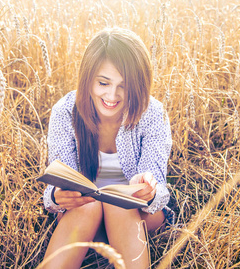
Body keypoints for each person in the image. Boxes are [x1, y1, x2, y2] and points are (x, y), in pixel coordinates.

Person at [42, 27, 173, 269]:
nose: (112, 95)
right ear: (88, 78)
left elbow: (159, 189)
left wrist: (149, 189)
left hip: (140, 215)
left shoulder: (153, 113)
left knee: (118, 203)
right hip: (82, 216)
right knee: (89, 206)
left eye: (124, 86)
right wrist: (57, 195)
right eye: (103, 83)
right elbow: (58, 182)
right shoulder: (65, 111)